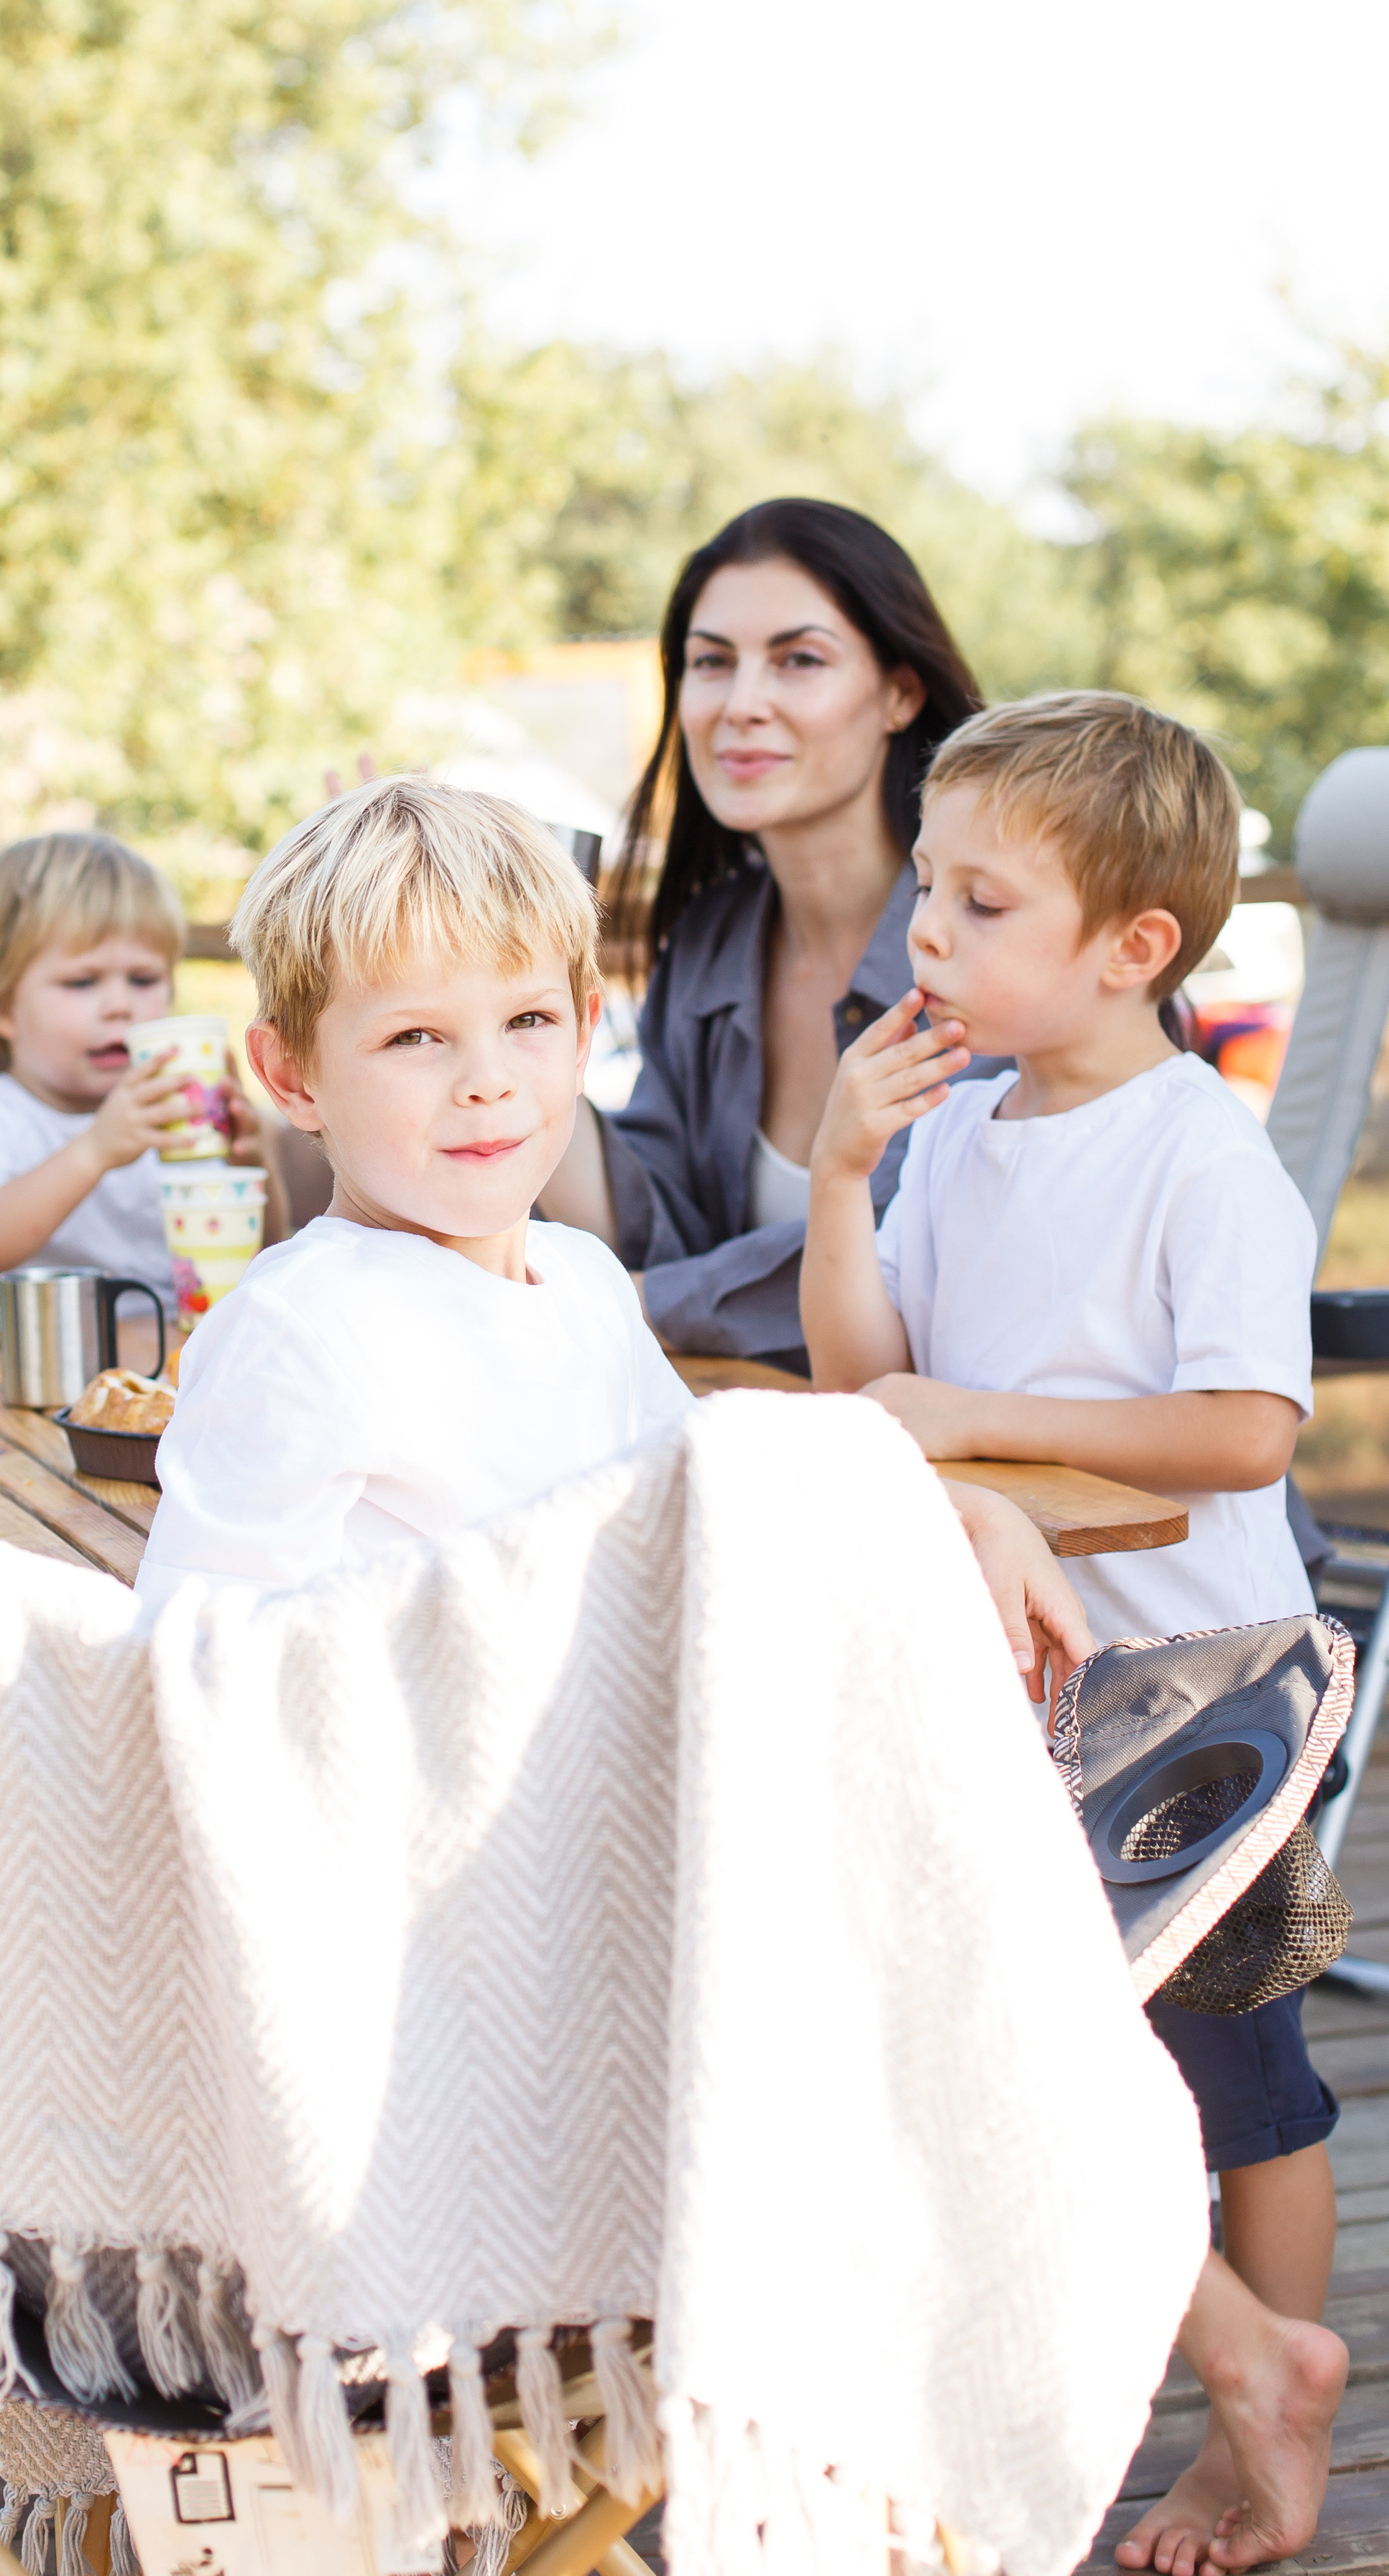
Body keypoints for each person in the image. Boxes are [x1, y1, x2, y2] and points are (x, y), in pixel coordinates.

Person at [800, 691, 1347, 2575]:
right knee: (1030, 2050)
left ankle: (1256, 2433)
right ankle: (1178, 2373)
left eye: (981, 902)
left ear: (1135, 950)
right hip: (1028, 1694)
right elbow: (874, 1389)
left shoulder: (1202, 1153)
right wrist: (844, 1177)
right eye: (928, 894)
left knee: (1237, 2075)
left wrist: (984, 1425)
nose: (926, 938)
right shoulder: (959, 1137)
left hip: (1208, 1710)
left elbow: (1240, 1436)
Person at [135, 773, 1092, 1712]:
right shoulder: (298, 1325)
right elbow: (191, 1670)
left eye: (527, 1022)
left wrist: (959, 1514)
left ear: (587, 1030)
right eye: (416, 1038)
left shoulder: (585, 1281)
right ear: (292, 1076)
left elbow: (717, 1501)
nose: (487, 1080)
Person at [534, 497, 997, 1368]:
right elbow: (647, 1224)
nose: (741, 703)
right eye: (711, 662)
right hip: (766, 1448)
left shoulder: (993, 946)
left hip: (1027, 1483)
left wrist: (643, 1306)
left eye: (799, 660)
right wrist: (495, 990)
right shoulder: (711, 941)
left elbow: (920, 1254)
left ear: (900, 692)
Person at [0, 829, 280, 1338]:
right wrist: (96, 1151)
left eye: (143, 979)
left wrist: (252, 1164)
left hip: (154, 1357)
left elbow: (263, 1254)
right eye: (82, 982)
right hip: (2, 1366)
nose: (119, 1005)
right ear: (0, 1009)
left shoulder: (176, 1116)